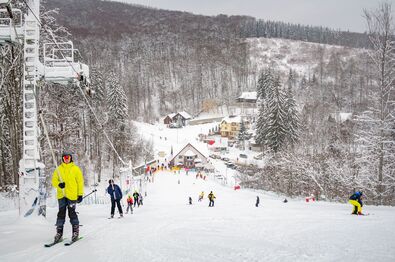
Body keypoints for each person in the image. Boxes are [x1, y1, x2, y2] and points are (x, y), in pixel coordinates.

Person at [51, 152, 84, 243]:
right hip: (61, 195)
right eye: (65, 157)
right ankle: (59, 233)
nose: (66, 159)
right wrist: (59, 184)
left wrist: (80, 194)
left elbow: (80, 182)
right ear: (62, 159)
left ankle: (75, 232)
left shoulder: (75, 169)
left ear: (70, 158)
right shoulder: (58, 169)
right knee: (61, 213)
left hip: (72, 195)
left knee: (72, 213)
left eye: (68, 157)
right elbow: (53, 180)